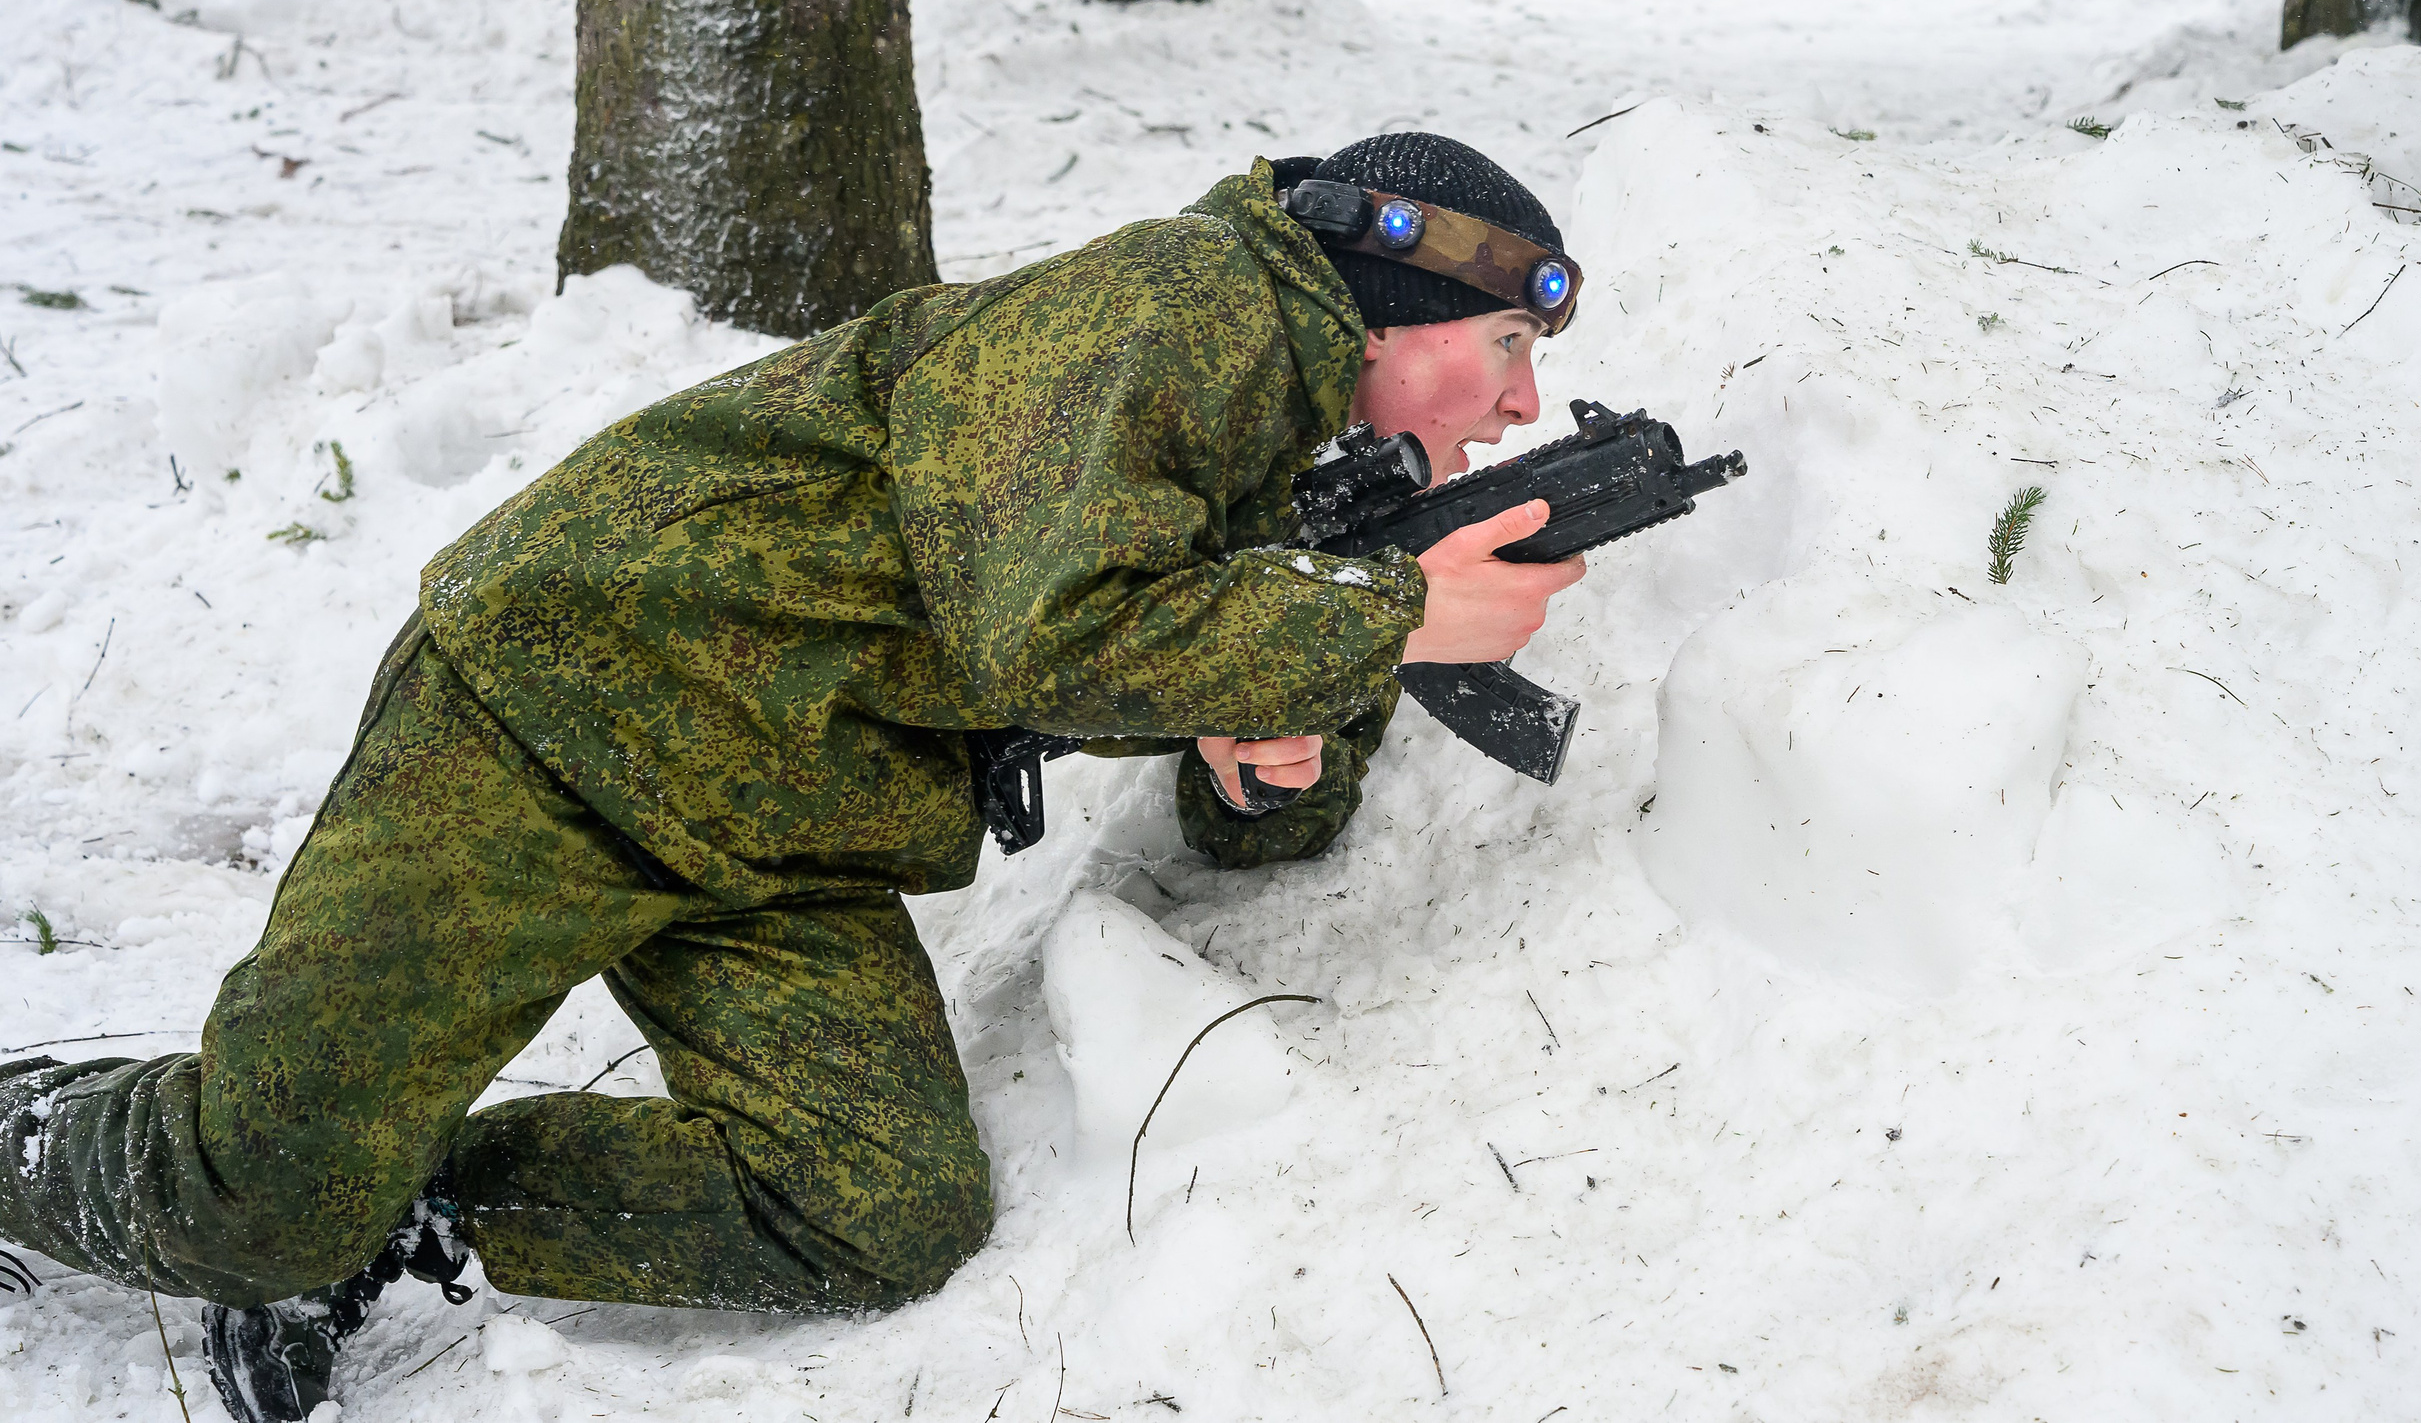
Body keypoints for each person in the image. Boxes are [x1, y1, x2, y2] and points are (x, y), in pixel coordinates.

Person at [0, 132, 1587, 1421]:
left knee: (868, 1208)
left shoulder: (1312, 487)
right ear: (1390, 303)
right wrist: (1389, 614)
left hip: (788, 825)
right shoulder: (1185, 303)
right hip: (563, 718)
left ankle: (406, 1214)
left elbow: (1244, 820)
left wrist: (1269, 749)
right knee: (248, 1202)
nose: (1522, 401)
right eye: (1508, 345)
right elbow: (1042, 633)